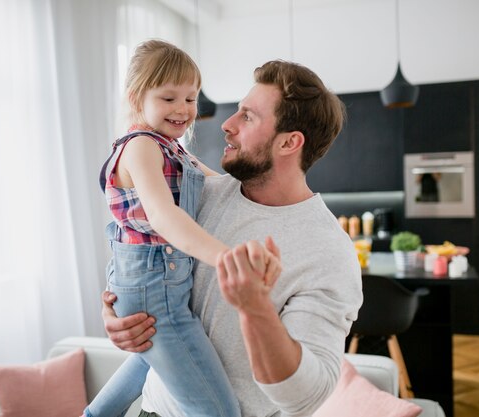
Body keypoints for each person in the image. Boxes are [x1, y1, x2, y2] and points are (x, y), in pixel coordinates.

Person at [102, 60, 364, 417]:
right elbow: (137, 245)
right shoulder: (200, 195)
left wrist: (255, 310)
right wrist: (118, 310)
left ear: (289, 142)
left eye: (247, 117)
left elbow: (307, 396)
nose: (226, 125)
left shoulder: (329, 251)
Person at [83, 40, 280, 417]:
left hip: (163, 284)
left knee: (147, 361)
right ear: (136, 97)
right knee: (219, 412)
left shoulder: (174, 149)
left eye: (191, 99)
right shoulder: (141, 146)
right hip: (153, 288)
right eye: (169, 98)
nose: (183, 109)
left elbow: (224, 188)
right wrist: (226, 258)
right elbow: (162, 216)